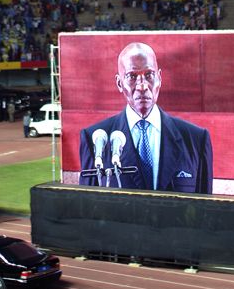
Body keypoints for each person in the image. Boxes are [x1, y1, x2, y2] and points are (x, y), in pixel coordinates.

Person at [79, 41, 213, 194]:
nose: (142, 86)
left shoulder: (196, 139)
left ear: (160, 78)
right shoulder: (95, 140)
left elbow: (205, 210)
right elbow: (87, 208)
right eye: (132, 76)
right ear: (119, 83)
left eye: (149, 75)